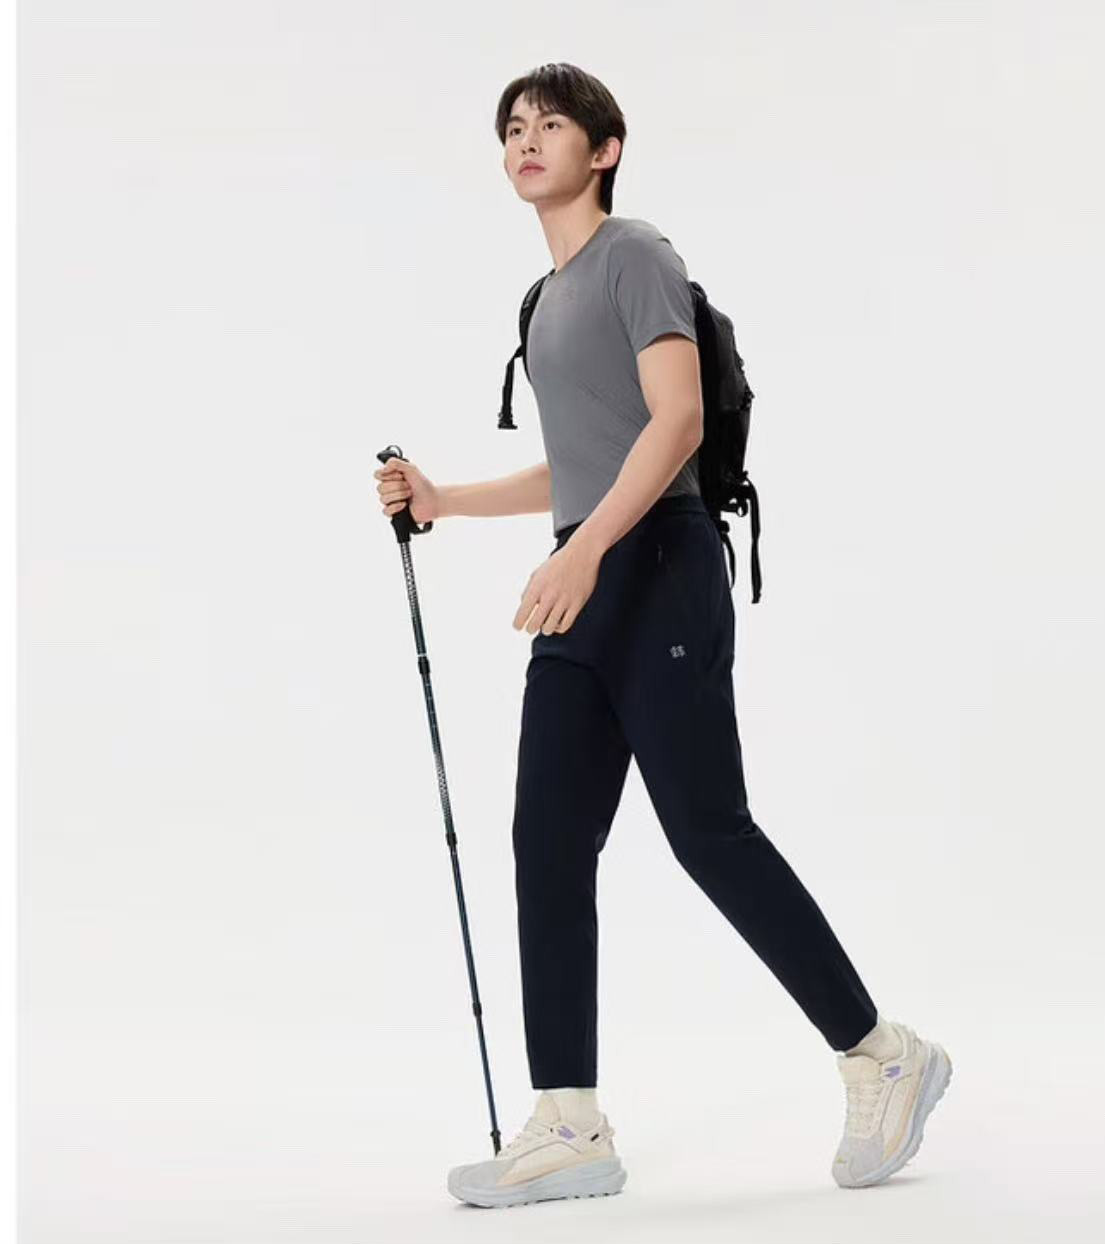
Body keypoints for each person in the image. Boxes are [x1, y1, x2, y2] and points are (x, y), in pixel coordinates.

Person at [374, 62, 952, 1210]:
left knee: (707, 829)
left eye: (550, 124)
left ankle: (883, 1053)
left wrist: (585, 552)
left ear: (606, 149)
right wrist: (447, 500)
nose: (525, 140)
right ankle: (569, 1120)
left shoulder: (634, 254)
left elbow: (677, 421)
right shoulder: (543, 302)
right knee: (547, 837)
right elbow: (579, 464)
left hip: (657, 564)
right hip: (589, 570)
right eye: (511, 128)